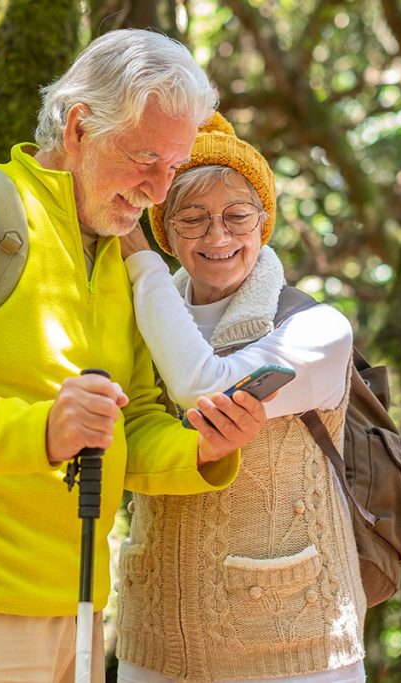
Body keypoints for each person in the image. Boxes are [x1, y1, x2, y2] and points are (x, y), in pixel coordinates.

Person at [0, 30, 268, 683]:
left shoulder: (118, 257)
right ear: (79, 127)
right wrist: (45, 430)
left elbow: (130, 427)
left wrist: (203, 448)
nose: (158, 192)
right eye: (146, 158)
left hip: (77, 615)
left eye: (173, 167)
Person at [115, 113, 366, 682]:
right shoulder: (134, 320)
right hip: (157, 639)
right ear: (167, 231)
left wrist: (139, 259)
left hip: (294, 643)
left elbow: (203, 386)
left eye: (237, 216)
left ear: (264, 223)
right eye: (193, 218)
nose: (218, 237)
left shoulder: (317, 329)